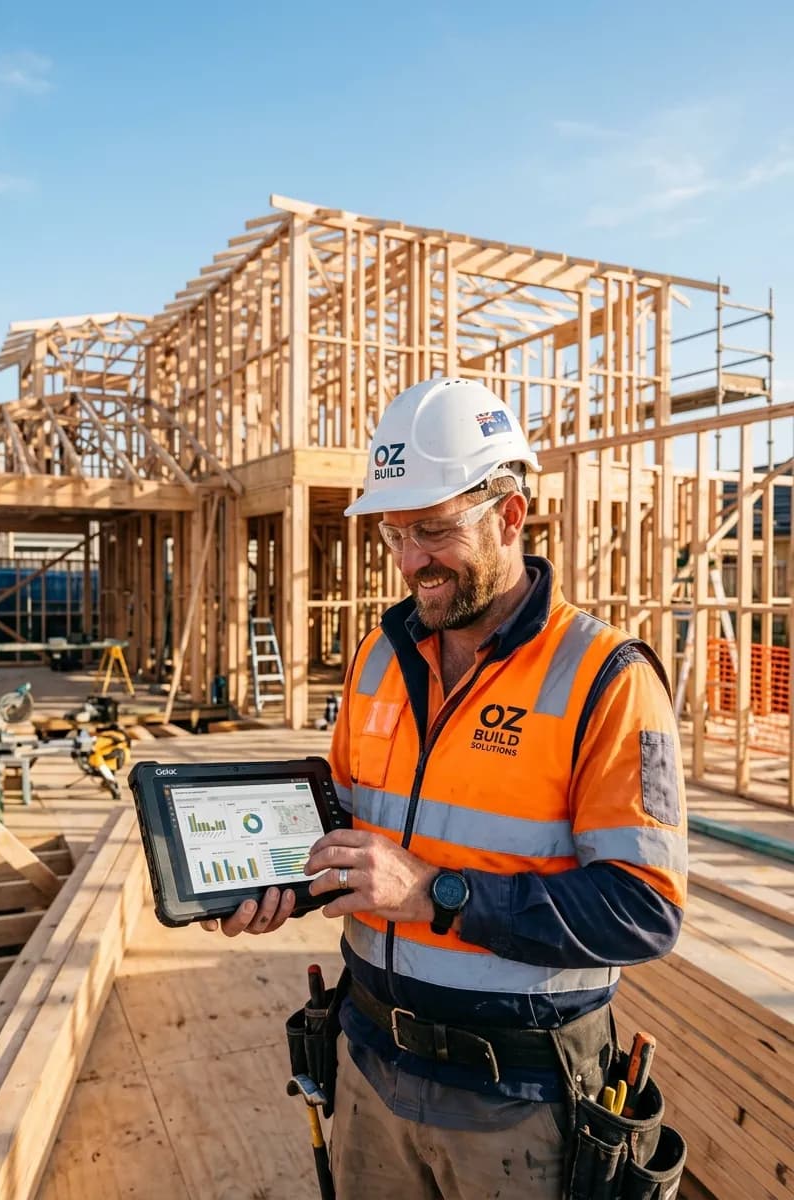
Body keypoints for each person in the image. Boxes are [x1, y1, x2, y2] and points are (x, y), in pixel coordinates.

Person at [202, 378, 687, 1199]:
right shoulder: (378, 656)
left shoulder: (605, 677)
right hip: (369, 1062)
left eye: (433, 529)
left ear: (510, 514)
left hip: (520, 1101)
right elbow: (343, 829)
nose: (409, 561)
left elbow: (644, 910)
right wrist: (265, 881)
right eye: (393, 533)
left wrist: (439, 894)